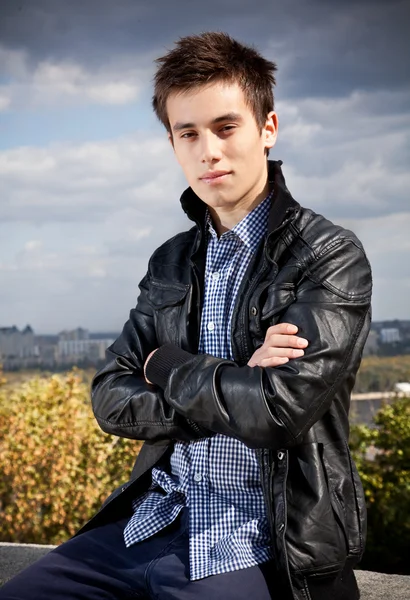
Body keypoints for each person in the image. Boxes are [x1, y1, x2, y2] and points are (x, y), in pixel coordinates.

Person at [0, 32, 372, 600]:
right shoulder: (172, 260)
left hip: (260, 542)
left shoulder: (328, 256)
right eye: (187, 133)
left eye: (226, 127)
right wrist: (235, 376)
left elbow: (277, 411)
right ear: (172, 143)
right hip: (150, 520)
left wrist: (166, 362)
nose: (208, 151)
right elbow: (110, 396)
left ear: (267, 128)